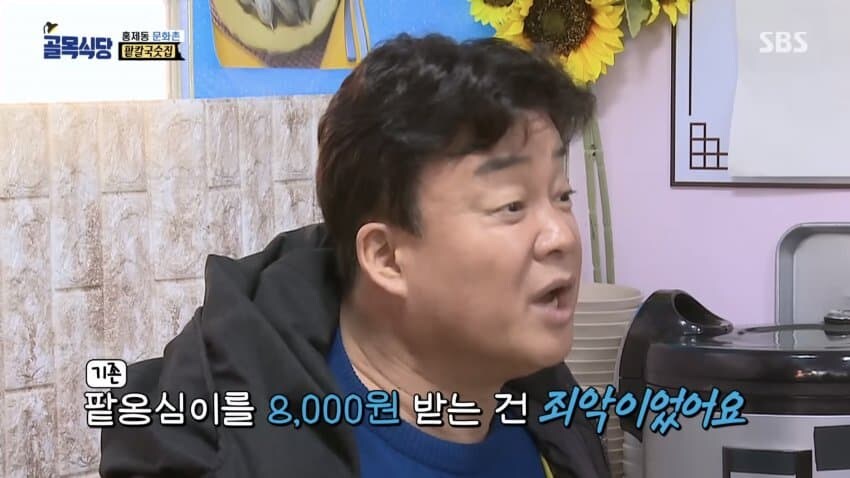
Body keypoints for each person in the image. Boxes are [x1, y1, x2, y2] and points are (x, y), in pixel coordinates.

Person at [99, 33, 609, 478]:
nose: (561, 236)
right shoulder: (223, 453)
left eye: (562, 195)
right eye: (512, 205)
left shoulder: (547, 407)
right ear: (386, 258)